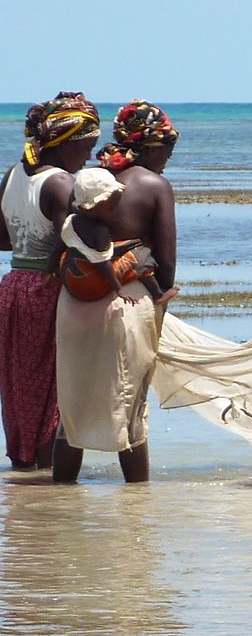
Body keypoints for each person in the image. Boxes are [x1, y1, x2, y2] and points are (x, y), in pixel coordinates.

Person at [52, 99, 179, 484]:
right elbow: (167, 259)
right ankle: (135, 507)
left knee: (71, 409)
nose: (169, 157)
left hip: (74, 303)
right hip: (127, 301)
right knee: (130, 408)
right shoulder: (155, 185)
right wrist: (160, 294)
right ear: (152, 146)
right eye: (168, 147)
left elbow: (61, 241)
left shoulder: (91, 180)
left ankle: (59, 506)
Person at [0, 92, 100, 470]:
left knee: (18, 385)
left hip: (12, 286)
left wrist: (28, 237)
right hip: (47, 289)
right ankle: (46, 469)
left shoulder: (12, 174)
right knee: (55, 384)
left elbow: (1, 237)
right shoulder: (60, 183)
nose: (88, 156)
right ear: (67, 143)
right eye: (86, 147)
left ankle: (23, 467)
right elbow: (72, 243)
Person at [59, 168, 176, 305]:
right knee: (141, 256)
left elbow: (58, 247)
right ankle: (158, 295)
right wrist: (118, 290)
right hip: (90, 285)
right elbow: (103, 263)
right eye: (111, 208)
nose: (115, 213)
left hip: (71, 282)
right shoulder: (100, 231)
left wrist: (50, 273)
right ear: (91, 208)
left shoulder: (71, 220)